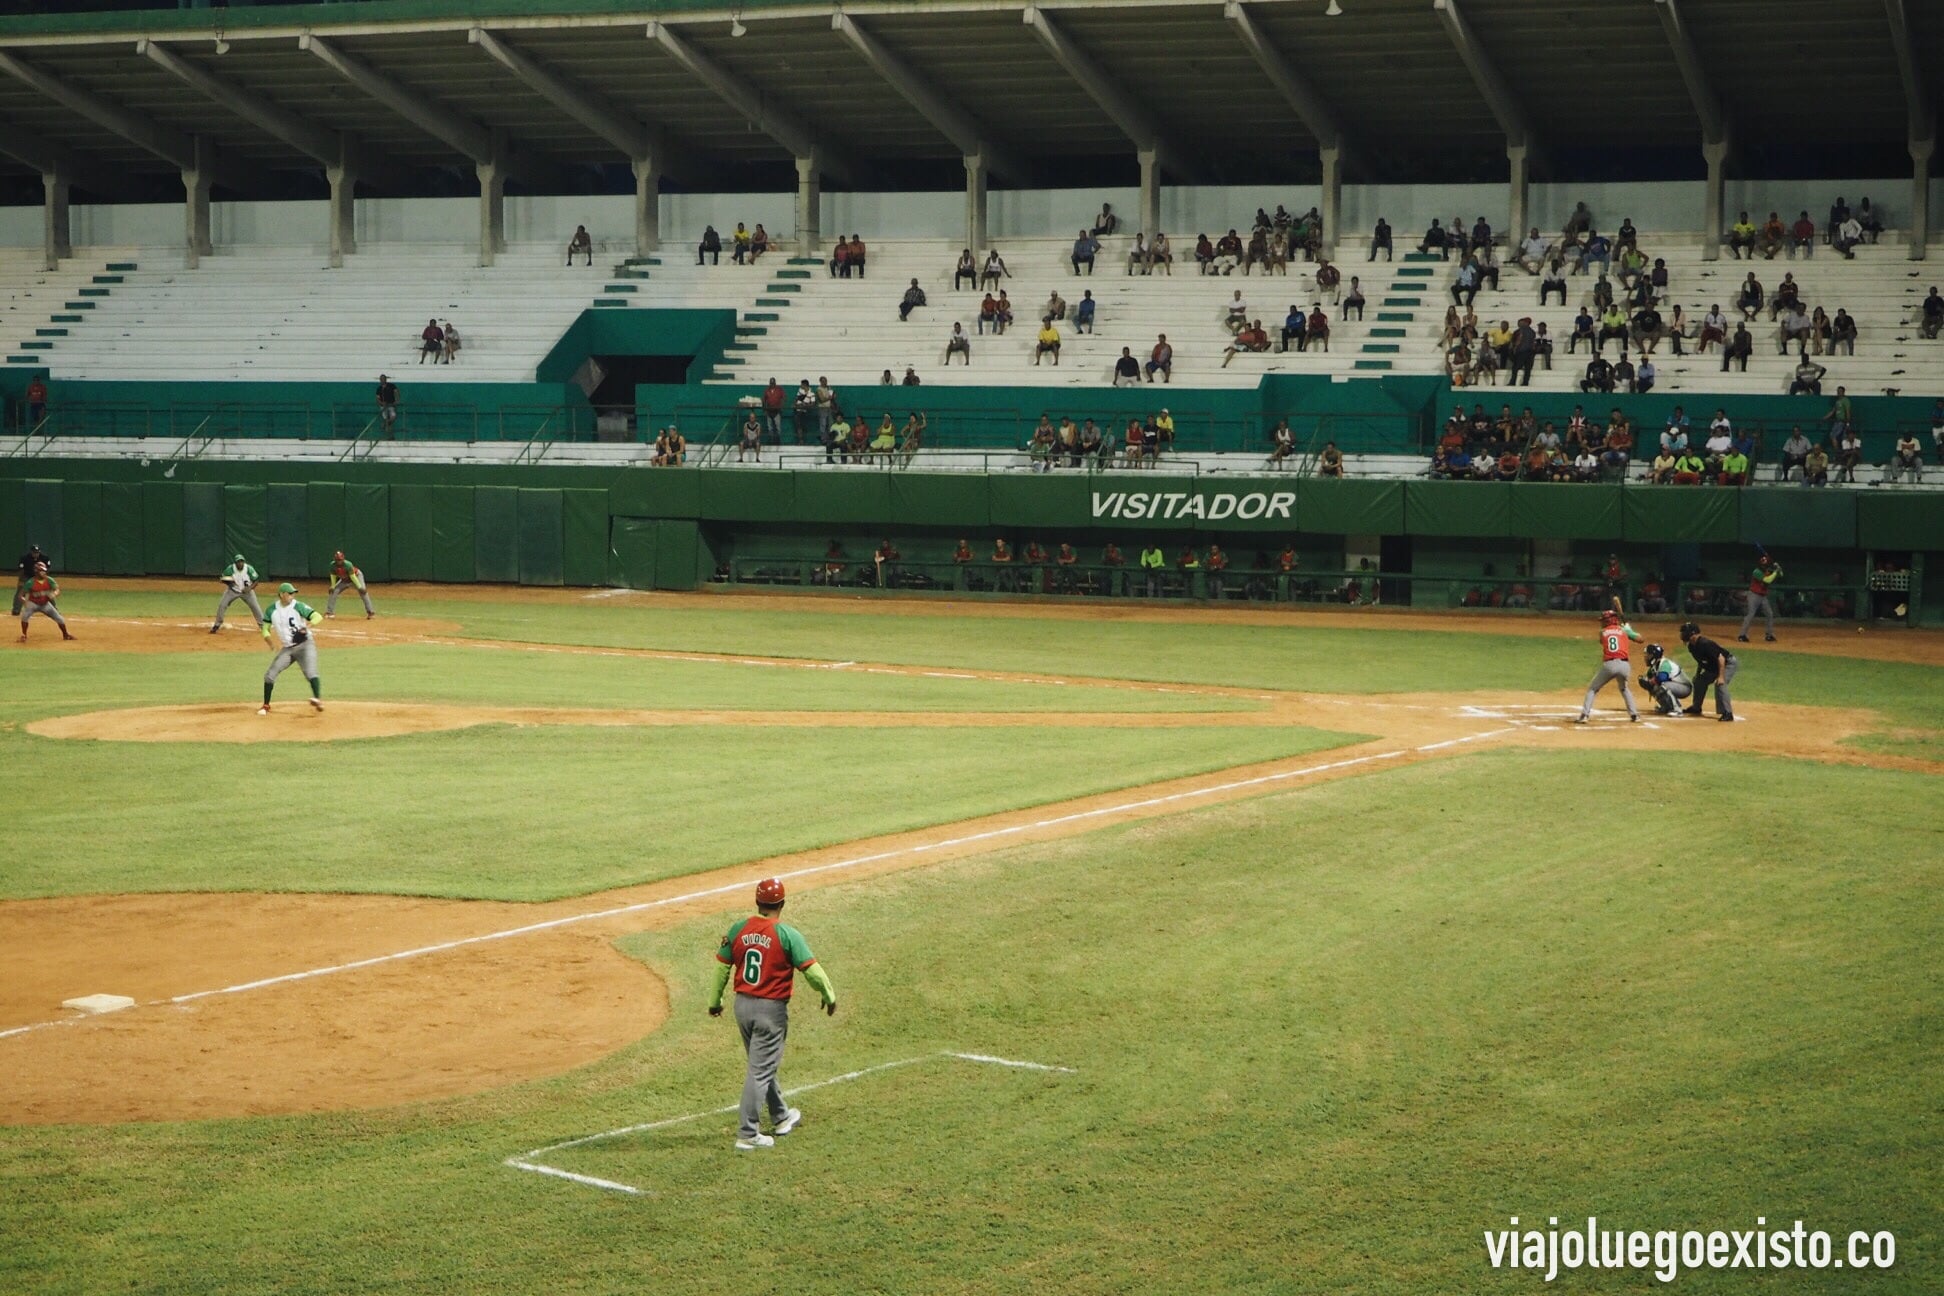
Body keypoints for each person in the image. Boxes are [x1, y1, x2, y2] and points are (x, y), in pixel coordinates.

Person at [708, 877, 836, 1151]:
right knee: (760, 1069)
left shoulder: (738, 929)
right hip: (770, 1011)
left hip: (742, 1006)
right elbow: (812, 971)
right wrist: (828, 995)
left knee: (762, 1064)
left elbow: (721, 967)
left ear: (757, 903)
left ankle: (780, 1117)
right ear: (782, 904)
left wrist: (714, 1000)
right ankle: (747, 1132)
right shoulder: (787, 934)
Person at [258, 582, 324, 714]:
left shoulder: (298, 606)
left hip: (305, 645)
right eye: (290, 593)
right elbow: (265, 629)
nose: (292, 596)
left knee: (310, 673)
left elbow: (317, 616)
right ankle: (266, 705)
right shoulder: (272, 610)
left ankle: (318, 700)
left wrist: (307, 627)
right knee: (269, 676)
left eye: (294, 593)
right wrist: (270, 642)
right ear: (282, 594)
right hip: (288, 648)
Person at [1576, 608, 1642, 724]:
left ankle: (1584, 715)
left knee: (1592, 689)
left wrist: (1623, 630)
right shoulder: (1624, 630)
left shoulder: (1602, 632)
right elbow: (1640, 639)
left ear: (1608, 621)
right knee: (1624, 688)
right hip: (1625, 666)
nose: (1601, 622)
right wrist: (1629, 630)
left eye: (1604, 620)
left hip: (1610, 665)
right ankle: (1634, 715)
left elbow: (1603, 640)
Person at [1679, 621, 1737, 721]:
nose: (1682, 635)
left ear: (1692, 633)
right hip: (1714, 666)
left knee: (1720, 684)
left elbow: (1721, 658)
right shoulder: (1692, 646)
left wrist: (1721, 677)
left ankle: (1727, 712)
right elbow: (1701, 661)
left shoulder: (1705, 644)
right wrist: (1698, 674)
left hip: (1727, 664)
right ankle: (1696, 707)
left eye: (1684, 632)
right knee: (1699, 681)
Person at [16, 561, 71, 642]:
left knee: (60, 619)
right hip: (32, 604)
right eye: (42, 571)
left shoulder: (49, 580)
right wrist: (24, 601)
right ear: (37, 572)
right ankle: (24, 635)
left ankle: (66, 635)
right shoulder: (30, 582)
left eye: (44, 571)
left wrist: (54, 594)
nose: (44, 572)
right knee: (24, 617)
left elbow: (57, 589)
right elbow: (20, 595)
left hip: (45, 604)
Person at [211, 553, 263, 634]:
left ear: (244, 562)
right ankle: (217, 625)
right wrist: (229, 583)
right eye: (238, 562)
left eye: (242, 561)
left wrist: (249, 588)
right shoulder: (230, 569)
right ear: (235, 563)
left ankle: (263, 626)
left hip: (247, 592)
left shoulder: (249, 569)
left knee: (255, 607)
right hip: (232, 591)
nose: (240, 563)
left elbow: (256, 580)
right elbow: (222, 579)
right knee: (222, 605)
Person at [1737, 555, 1783, 641]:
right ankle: (1742, 635)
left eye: (1764, 564)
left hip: (1763, 596)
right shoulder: (1756, 571)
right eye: (1762, 564)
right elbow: (1767, 580)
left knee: (1769, 614)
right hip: (1753, 595)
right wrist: (1776, 572)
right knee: (1750, 615)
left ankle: (1769, 635)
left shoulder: (1768, 570)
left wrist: (1778, 568)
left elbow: (1781, 575)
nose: (1763, 566)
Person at [1638, 642, 1691, 716]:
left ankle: (1677, 709)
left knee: (1663, 685)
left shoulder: (1664, 663)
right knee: (1653, 686)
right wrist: (1648, 682)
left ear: (1654, 655)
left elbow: (1663, 677)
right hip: (1674, 685)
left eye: (1648, 655)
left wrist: (1651, 681)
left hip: (1684, 687)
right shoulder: (1654, 666)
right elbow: (1650, 679)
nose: (1646, 657)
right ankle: (1666, 707)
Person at [325, 550, 375, 619]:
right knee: (333, 591)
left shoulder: (348, 564)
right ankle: (329, 612)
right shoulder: (332, 565)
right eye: (337, 560)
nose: (339, 562)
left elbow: (353, 577)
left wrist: (360, 587)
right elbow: (333, 576)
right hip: (344, 580)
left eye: (340, 560)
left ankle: (371, 612)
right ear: (335, 560)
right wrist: (333, 586)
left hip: (356, 577)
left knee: (363, 592)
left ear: (343, 559)